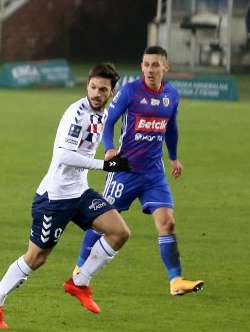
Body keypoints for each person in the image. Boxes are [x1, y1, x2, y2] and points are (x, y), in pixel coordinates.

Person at [0, 63, 132, 329]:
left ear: (111, 91)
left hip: (80, 193)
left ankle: (79, 283)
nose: (96, 93)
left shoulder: (104, 114)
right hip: (54, 197)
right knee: (36, 258)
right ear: (87, 85)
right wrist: (105, 165)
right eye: (93, 87)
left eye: (103, 89)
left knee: (119, 232)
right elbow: (63, 155)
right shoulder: (77, 114)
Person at [73, 47, 204, 296]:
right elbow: (109, 120)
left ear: (166, 67)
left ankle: (175, 280)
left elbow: (171, 128)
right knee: (101, 224)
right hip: (125, 170)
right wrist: (110, 149)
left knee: (167, 223)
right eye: (145, 64)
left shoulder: (172, 95)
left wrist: (174, 158)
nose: (149, 69)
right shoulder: (131, 92)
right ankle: (80, 268)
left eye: (155, 65)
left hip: (154, 172)